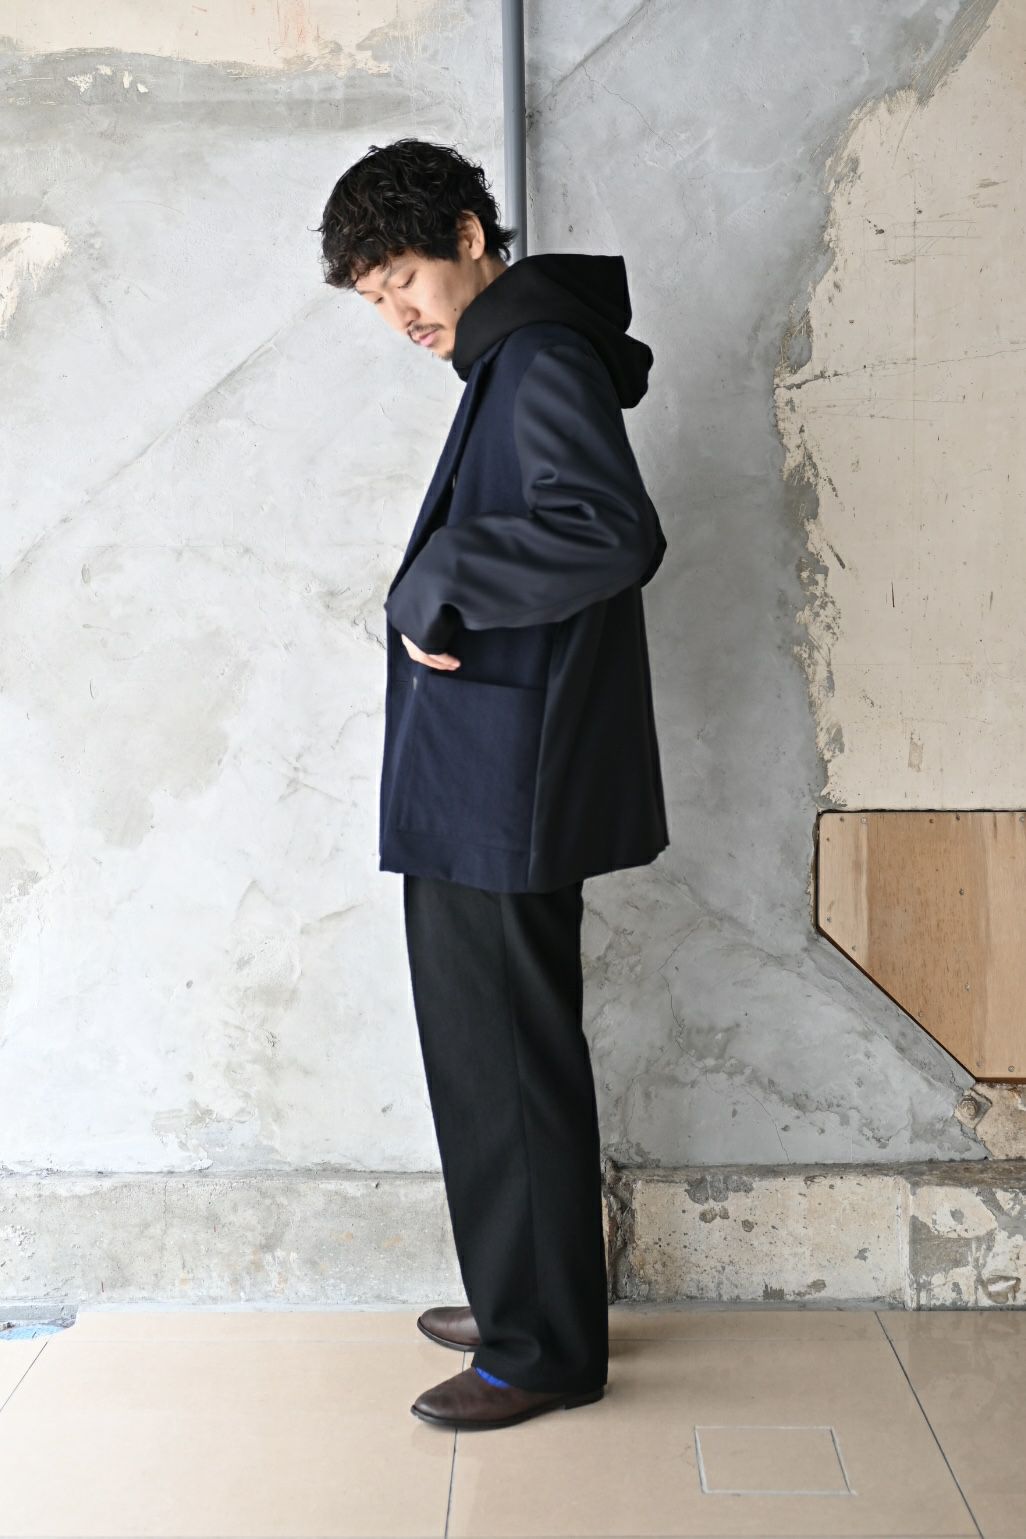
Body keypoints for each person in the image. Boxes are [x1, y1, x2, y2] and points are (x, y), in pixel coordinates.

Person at [317, 137, 669, 1431]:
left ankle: (539, 1351)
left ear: (470, 236)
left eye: (405, 278)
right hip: (492, 768)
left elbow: (612, 531)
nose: (399, 315)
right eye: (374, 299)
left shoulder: (537, 357)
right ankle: (529, 1296)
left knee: (502, 1062)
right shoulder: (510, 355)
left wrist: (440, 575)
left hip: (501, 782)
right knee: (498, 1056)